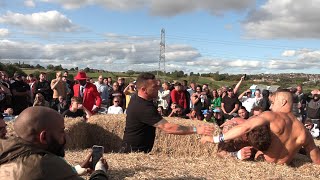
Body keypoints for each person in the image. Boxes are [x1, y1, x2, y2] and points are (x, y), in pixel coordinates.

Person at [202, 90, 320, 165]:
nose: (271, 106)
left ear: (283, 102)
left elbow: (245, 127)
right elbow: (316, 158)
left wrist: (215, 139)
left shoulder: (271, 116)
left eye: (273, 103)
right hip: (283, 168)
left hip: (262, 164)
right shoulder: (304, 131)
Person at [0, 107, 108, 179]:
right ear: (44, 137)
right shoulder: (45, 164)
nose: (65, 136)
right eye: (61, 131)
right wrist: (100, 172)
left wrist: (78, 169)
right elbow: (47, 170)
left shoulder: (6, 152)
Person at [122, 73, 214, 153]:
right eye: (154, 87)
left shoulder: (136, 98)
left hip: (136, 151)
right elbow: (167, 127)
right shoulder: (143, 107)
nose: (158, 89)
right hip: (133, 152)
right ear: (143, 89)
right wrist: (196, 129)